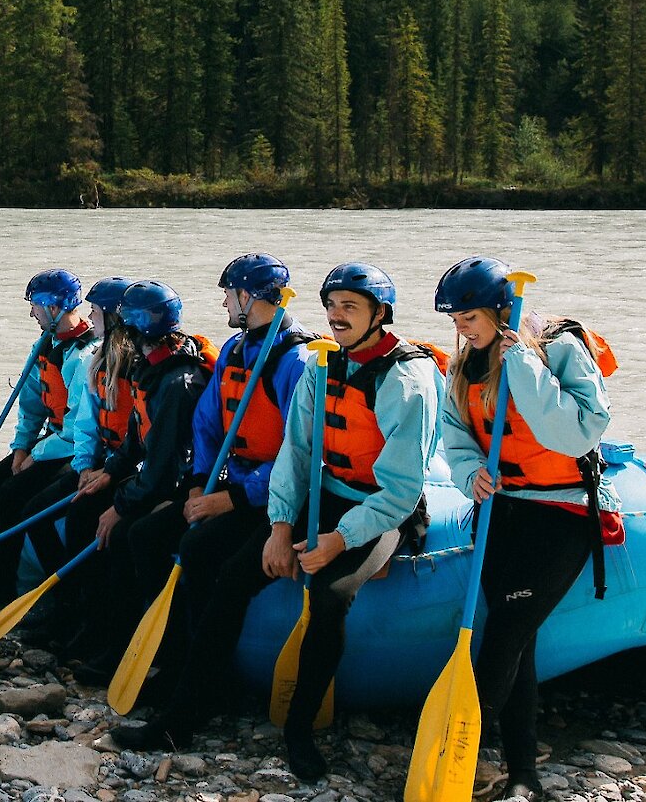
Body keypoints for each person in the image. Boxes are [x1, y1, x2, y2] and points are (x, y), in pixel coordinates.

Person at [434, 256, 618, 801]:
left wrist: (524, 365)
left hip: (562, 512)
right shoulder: (464, 364)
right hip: (506, 509)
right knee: (522, 643)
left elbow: (574, 432)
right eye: (455, 318)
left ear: (500, 309)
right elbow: (453, 431)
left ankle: (464, 750)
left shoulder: (558, 349)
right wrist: (469, 471)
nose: (460, 328)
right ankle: (522, 773)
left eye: (468, 316)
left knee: (510, 630)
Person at [112, 252, 312, 748]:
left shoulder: (297, 362)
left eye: (229, 293)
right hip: (234, 480)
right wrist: (202, 482)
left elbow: (300, 456)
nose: (223, 301)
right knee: (151, 536)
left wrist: (233, 499)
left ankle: (192, 705)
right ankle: (176, 663)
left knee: (208, 559)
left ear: (249, 296)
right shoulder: (235, 348)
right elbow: (206, 423)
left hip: (277, 494)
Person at [263, 262, 442, 781]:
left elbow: (401, 491)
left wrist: (338, 541)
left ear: (379, 315)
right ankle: (186, 709)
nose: (336, 317)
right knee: (227, 564)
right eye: (332, 306)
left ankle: (300, 732)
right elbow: (296, 450)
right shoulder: (321, 364)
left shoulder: (406, 379)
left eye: (350, 307)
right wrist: (279, 524)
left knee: (330, 595)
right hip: (328, 491)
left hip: (384, 509)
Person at [66, 279, 214, 676]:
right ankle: (99, 631)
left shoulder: (177, 384)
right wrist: (109, 473)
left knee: (131, 535)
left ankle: (133, 649)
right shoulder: (149, 368)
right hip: (162, 478)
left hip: (182, 483)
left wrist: (120, 506)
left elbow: (164, 467)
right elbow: (137, 439)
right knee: (91, 518)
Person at [0, 268, 99, 609]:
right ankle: (5, 576)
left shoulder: (85, 357)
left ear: (53, 307)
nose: (31, 313)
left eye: (34, 306)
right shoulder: (45, 345)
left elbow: (76, 430)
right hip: (50, 442)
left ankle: (46, 593)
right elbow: (29, 403)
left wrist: (36, 454)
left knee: (14, 495)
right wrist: (20, 447)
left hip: (76, 449)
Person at [16, 276, 132, 648]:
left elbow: (147, 442)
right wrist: (85, 468)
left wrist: (107, 472)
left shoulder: (124, 364)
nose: (90, 317)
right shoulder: (98, 360)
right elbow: (85, 424)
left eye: (96, 312)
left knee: (83, 520)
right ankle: (61, 607)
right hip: (98, 463)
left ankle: (81, 617)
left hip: (125, 471)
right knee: (26, 504)